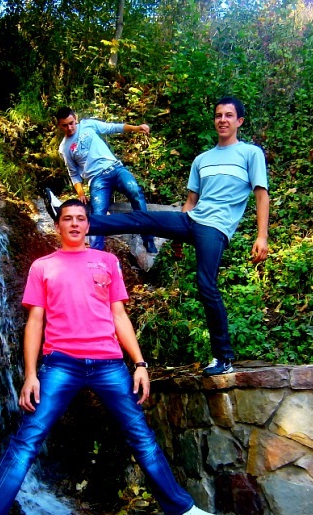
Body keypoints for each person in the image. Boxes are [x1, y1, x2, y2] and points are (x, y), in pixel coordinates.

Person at [0, 200, 225, 515]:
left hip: (109, 363)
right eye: (68, 219)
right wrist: (30, 374)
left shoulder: (107, 261)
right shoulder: (43, 266)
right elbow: (35, 322)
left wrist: (140, 363)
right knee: (26, 443)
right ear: (59, 225)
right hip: (61, 364)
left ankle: (181, 510)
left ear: (88, 224)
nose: (75, 224)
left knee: (141, 437)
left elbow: (119, 315)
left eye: (81, 218)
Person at [83, 96, 270, 377]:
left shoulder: (250, 154)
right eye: (218, 115)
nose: (222, 120)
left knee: (206, 285)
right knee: (142, 218)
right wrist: (179, 238)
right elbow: (191, 201)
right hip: (191, 220)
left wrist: (262, 236)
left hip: (216, 228)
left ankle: (223, 357)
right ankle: (83, 223)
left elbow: (261, 195)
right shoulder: (202, 160)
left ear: (239, 121)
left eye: (229, 115)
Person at [55, 106, 158, 254]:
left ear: (75, 118)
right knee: (98, 215)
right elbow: (73, 173)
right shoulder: (65, 148)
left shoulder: (88, 125)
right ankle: (95, 253)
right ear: (60, 125)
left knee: (135, 191)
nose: (69, 128)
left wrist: (136, 128)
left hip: (115, 169)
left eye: (71, 123)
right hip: (97, 179)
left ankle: (148, 240)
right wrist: (80, 192)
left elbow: (111, 127)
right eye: (65, 125)